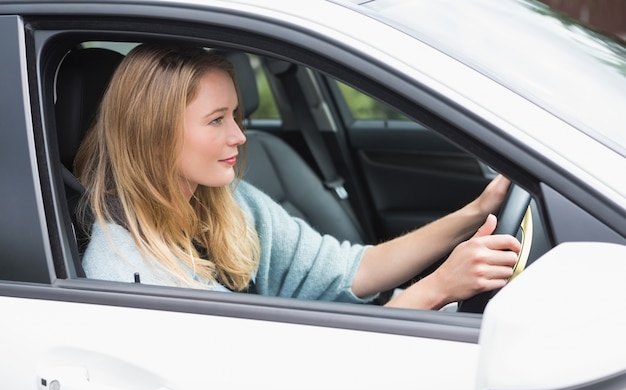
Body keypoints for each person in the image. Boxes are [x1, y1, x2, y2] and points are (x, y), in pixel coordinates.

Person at [75, 44, 520, 310]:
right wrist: (439, 288)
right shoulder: (129, 272)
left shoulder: (231, 204)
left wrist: (475, 212)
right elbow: (287, 378)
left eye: (236, 115)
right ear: (154, 137)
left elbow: (349, 269)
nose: (238, 136)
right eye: (215, 121)